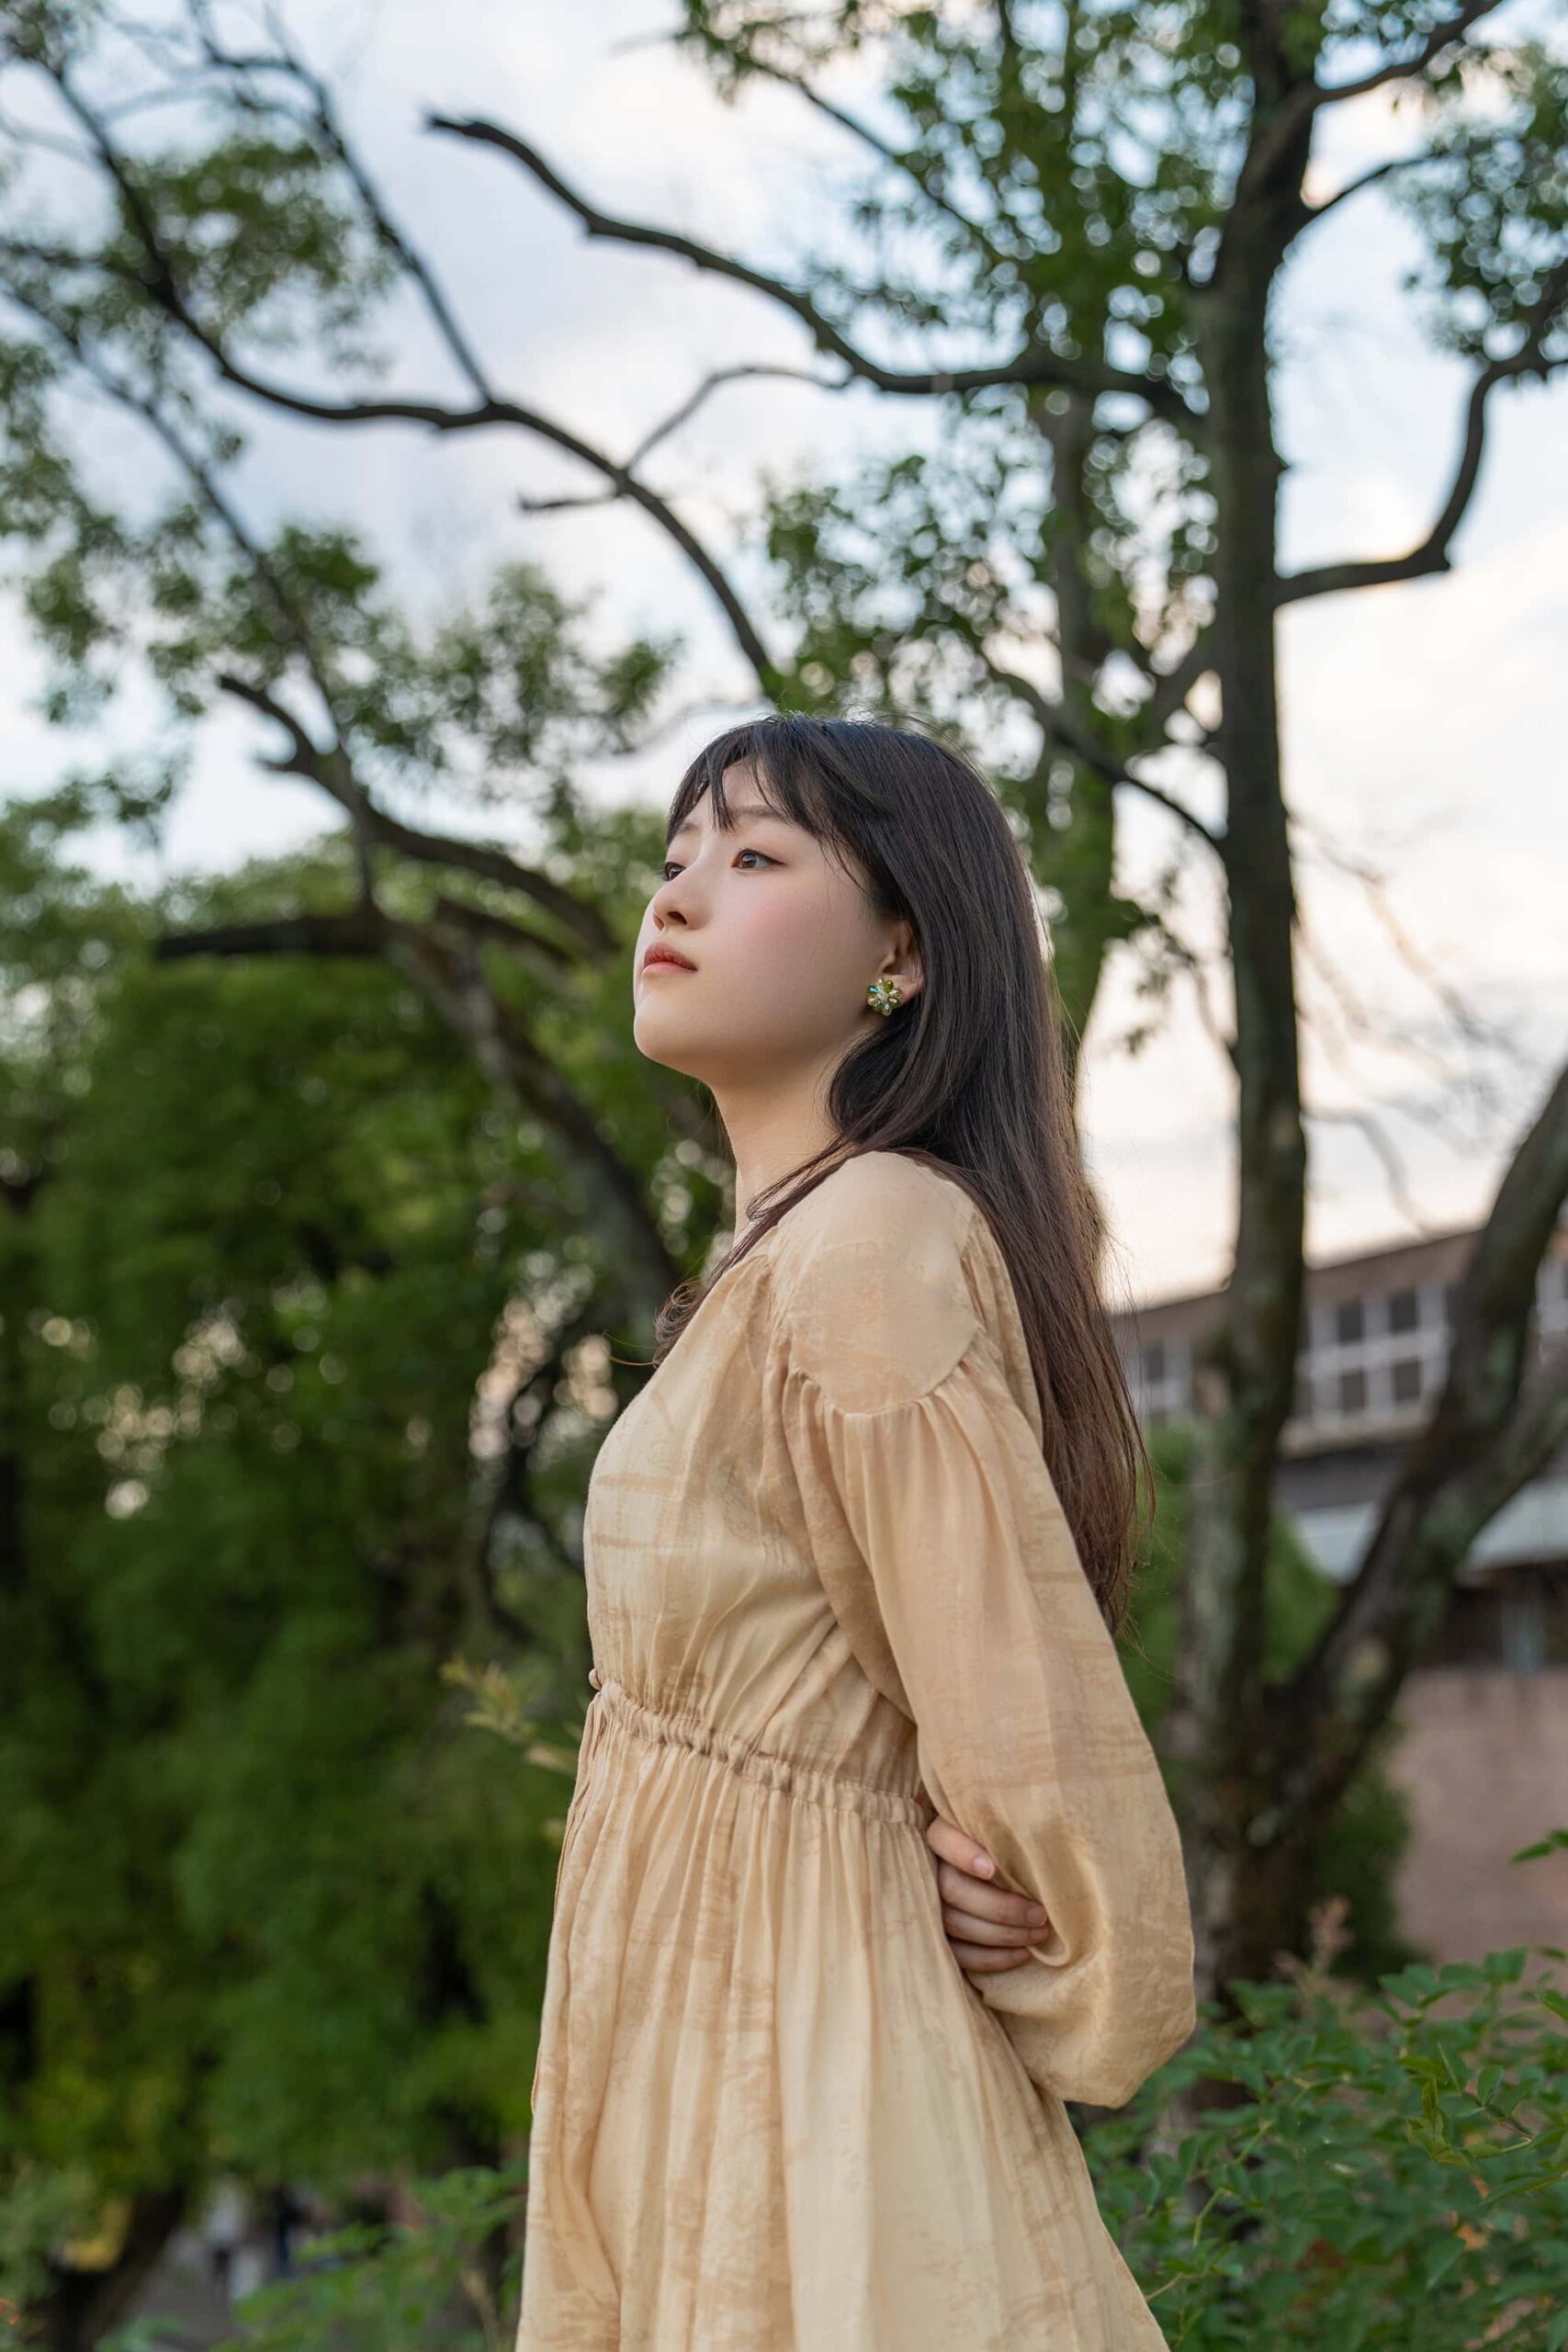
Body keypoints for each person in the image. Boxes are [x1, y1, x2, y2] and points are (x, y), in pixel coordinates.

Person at [515, 714, 1197, 2350]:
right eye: (676, 855)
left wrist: (1044, 1929)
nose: (675, 893)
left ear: (902, 954)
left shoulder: (878, 1240)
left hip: (821, 2060)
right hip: (708, 2031)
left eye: (753, 858)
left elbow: (1031, 1737)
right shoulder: (782, 1259)